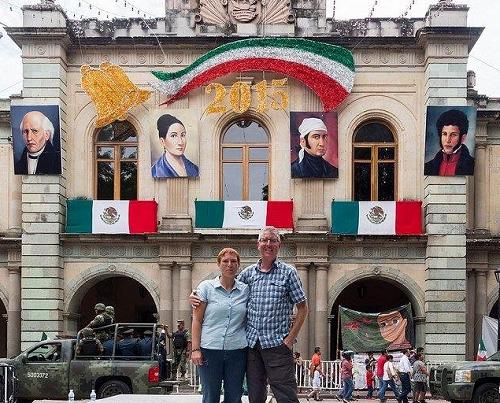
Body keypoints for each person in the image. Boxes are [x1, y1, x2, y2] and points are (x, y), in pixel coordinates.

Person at [190, 226, 308, 403]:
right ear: (258, 244)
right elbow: (227, 283)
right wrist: (195, 293)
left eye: (273, 240)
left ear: (279, 245)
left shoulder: (289, 272)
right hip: (252, 346)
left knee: (286, 396)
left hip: (278, 345)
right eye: (264, 240)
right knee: (255, 396)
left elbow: (303, 308)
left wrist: (290, 340)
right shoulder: (248, 274)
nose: (268, 244)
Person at [191, 248, 249, 403]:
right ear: (218, 264)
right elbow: (197, 320)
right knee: (210, 397)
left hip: (237, 352)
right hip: (210, 350)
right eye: (225, 261)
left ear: (238, 265)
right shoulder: (206, 287)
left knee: (235, 397)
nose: (229, 264)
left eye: (233, 261)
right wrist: (195, 349)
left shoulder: (245, 290)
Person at [424, 109, 474, 176]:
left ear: (463, 138)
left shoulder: (472, 165)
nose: (448, 140)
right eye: (444, 134)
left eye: (453, 135)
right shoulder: (428, 167)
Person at [14, 110, 61, 175]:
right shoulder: (18, 165)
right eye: (25, 131)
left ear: (47, 135)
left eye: (35, 131)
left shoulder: (57, 162)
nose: (29, 138)